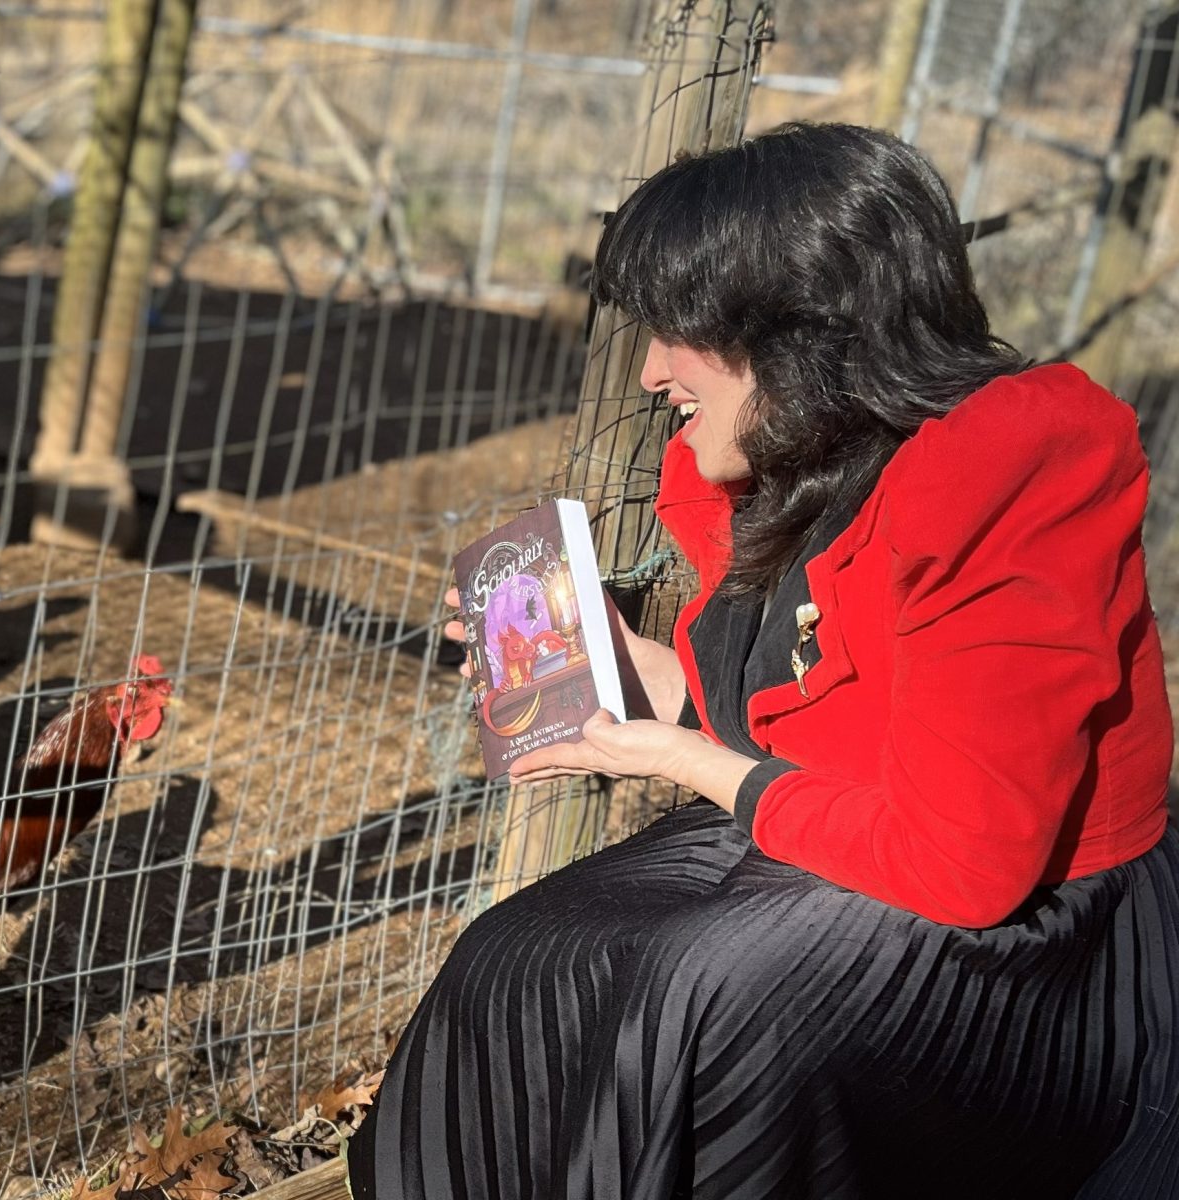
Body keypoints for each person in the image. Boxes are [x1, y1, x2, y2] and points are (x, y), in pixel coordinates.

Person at [346, 123, 1176, 1199]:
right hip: (851, 837)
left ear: (800, 331)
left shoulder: (1003, 471)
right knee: (510, 956)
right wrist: (651, 680)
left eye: (677, 332)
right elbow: (836, 706)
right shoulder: (793, 467)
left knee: (699, 1002)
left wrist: (688, 762)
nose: (648, 371)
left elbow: (966, 867)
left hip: (1037, 945)